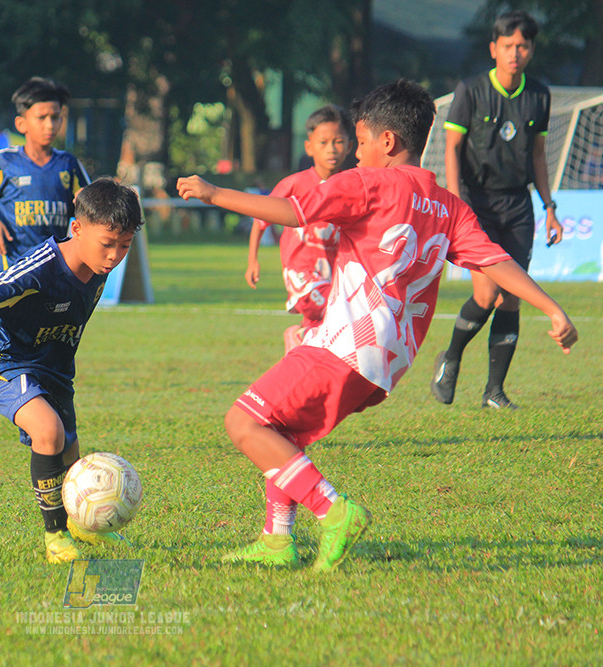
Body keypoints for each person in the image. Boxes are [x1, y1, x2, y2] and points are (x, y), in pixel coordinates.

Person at [177, 79, 578, 572]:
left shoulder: (367, 181)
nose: (356, 152)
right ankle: (278, 539)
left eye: (361, 140)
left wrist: (214, 193)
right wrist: (552, 307)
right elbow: (496, 261)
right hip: (386, 365)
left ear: (386, 142)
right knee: (283, 432)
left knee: (244, 420)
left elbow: (293, 212)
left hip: (344, 345)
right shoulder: (449, 206)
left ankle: (333, 511)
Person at [0, 178, 142, 564]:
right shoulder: (42, 265)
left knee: (71, 456)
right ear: (77, 228)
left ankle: (81, 526)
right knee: (48, 432)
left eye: (124, 246)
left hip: (53, 365)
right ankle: (55, 537)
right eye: (107, 244)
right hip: (3, 355)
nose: (114, 256)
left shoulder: (99, 269)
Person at [431, 10, 564, 410]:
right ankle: (451, 356)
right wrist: (454, 202)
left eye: (523, 46)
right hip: (476, 204)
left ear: (531, 50)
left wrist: (550, 207)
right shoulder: (470, 91)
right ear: (494, 49)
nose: (515, 53)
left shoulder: (539, 95)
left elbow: (539, 156)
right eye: (508, 46)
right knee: (486, 293)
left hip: (518, 205)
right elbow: (452, 150)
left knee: (512, 297)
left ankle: (494, 392)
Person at [0, 76, 91, 453]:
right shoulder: (6, 163)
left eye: (56, 117)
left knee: (43, 353)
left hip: (56, 279)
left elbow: (87, 202)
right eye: (42, 117)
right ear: (22, 123)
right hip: (17, 281)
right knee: (15, 349)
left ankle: (6, 410)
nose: (50, 125)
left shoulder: (68, 166)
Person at [245, 105, 353, 352]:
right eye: (324, 142)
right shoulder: (295, 184)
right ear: (309, 147)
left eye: (338, 142)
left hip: (332, 273)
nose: (331, 149)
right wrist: (253, 260)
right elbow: (261, 218)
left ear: (349, 146)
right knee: (332, 310)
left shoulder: (350, 186)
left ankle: (300, 350)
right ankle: (299, 334)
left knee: (327, 326)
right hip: (301, 272)